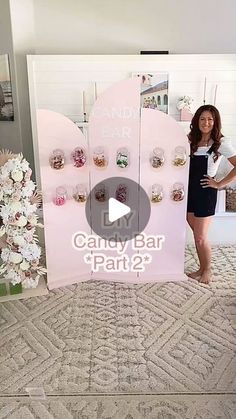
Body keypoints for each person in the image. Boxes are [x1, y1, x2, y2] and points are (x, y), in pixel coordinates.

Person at [187, 104, 236, 284]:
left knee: (200, 237)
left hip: (206, 192)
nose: (206, 122)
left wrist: (220, 183)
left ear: (215, 122)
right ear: (196, 121)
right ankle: (201, 267)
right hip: (190, 192)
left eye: (210, 119)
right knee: (197, 235)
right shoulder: (191, 139)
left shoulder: (221, 143)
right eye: (202, 118)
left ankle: (208, 270)